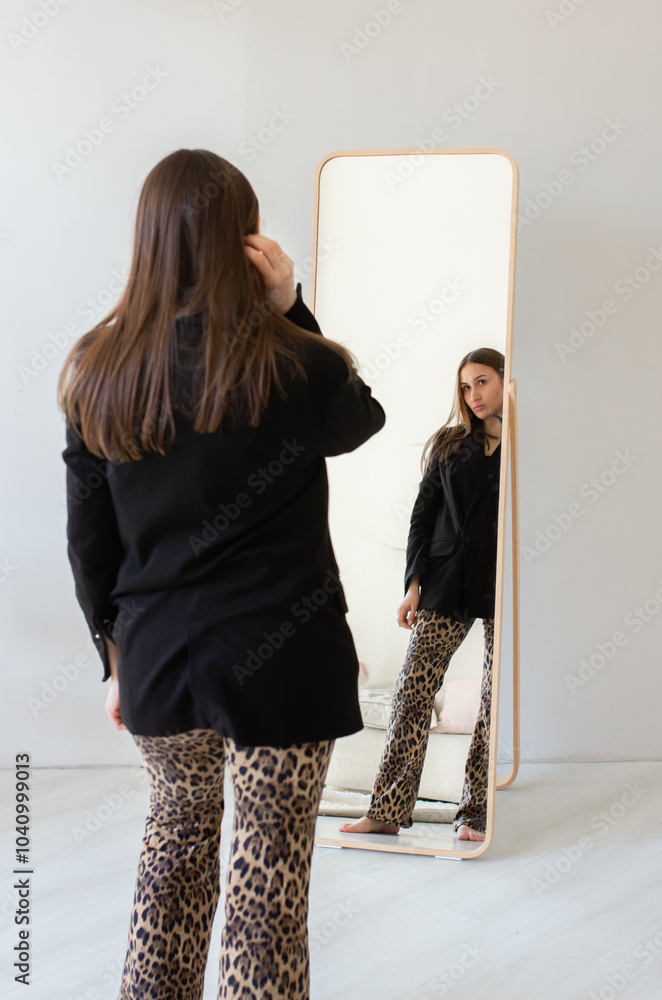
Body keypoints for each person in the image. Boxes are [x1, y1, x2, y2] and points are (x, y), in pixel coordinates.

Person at [58, 148, 385, 1000]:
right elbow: (360, 422)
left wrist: (115, 658)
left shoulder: (97, 369)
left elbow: (88, 542)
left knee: (172, 857)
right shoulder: (296, 361)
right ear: (244, 239)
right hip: (283, 656)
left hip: (161, 657)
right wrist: (294, 305)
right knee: (267, 887)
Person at [339, 348, 504, 842]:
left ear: (504, 381)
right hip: (445, 579)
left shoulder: (530, 445)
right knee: (412, 690)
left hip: (502, 582)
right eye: (466, 387)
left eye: (482, 382)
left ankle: (476, 813)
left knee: (493, 701)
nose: (473, 395)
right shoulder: (450, 444)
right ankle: (387, 809)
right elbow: (422, 516)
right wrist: (414, 585)